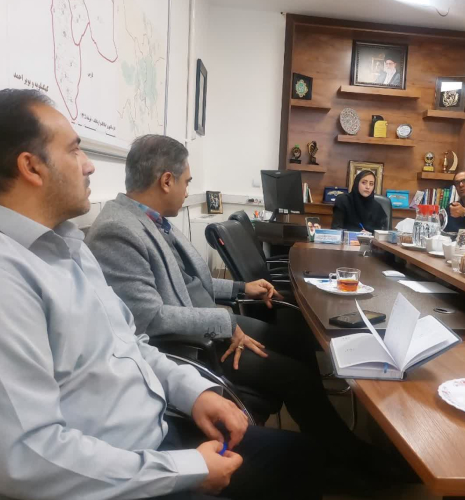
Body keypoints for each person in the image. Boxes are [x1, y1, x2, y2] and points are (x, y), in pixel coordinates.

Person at [0, 89, 321, 500]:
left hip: (153, 435)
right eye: (74, 150)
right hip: (107, 474)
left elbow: (129, 342)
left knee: (299, 459)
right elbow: (26, 459)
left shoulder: (66, 244)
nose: (89, 165)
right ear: (31, 167)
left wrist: (193, 392)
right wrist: (187, 469)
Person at [85, 135, 381, 487]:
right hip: (191, 345)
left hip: (208, 324)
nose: (187, 190)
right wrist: (224, 322)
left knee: (298, 341)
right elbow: (148, 319)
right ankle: (347, 461)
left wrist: (241, 288)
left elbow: (191, 281)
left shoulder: (152, 220)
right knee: (295, 377)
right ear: (166, 181)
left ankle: (334, 446)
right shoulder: (118, 231)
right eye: (186, 182)